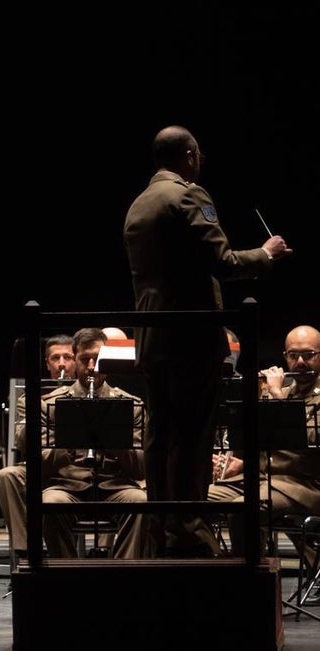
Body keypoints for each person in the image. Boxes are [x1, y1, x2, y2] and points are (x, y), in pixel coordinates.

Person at [124, 124, 293, 557]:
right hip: (190, 338)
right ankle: (189, 530)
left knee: (160, 438)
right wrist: (266, 255)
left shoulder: (139, 203)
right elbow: (223, 261)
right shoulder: (188, 195)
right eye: (198, 155)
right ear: (189, 155)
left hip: (152, 337)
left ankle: (163, 525)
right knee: (192, 437)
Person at [2, 329, 150, 559]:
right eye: (83, 359)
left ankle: (123, 574)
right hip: (67, 484)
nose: (91, 366)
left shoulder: (131, 404)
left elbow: (142, 466)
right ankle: (66, 574)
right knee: (50, 502)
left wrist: (115, 442)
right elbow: (35, 458)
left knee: (141, 502)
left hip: (114, 485)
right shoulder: (50, 404)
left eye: (97, 359)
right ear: (75, 359)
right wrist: (68, 443)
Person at [209, 325, 319, 581]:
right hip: (264, 480)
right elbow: (262, 442)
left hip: (305, 485)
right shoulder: (285, 391)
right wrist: (242, 463)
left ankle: (252, 582)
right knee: (196, 499)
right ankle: (213, 572)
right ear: (284, 356)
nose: (300, 362)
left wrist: (277, 397)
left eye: (309, 354)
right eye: (293, 355)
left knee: (242, 508)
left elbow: (310, 441)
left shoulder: (283, 393)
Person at [0, 333, 77, 560]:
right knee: (8, 475)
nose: (62, 363)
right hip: (41, 466)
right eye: (55, 358)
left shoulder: (86, 393)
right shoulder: (30, 398)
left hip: (74, 471)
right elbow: (24, 444)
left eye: (68, 357)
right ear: (47, 363)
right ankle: (26, 553)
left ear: (77, 360)